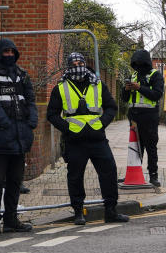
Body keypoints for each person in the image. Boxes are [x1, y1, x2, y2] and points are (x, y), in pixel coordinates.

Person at [46, 52, 129, 226]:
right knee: (75, 176)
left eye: (80, 62)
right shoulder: (61, 87)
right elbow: (52, 115)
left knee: (109, 172)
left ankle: (111, 211)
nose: (78, 65)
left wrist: (101, 124)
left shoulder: (98, 84)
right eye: (74, 63)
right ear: (69, 66)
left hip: (97, 138)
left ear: (85, 64)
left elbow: (111, 107)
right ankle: (78, 212)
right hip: (75, 140)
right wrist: (68, 128)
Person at [0, 37, 37, 235]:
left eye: (12, 52)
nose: (10, 55)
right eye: (6, 52)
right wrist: (6, 125)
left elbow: (30, 100)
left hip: (19, 138)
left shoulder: (22, 74)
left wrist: (31, 123)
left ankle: (11, 220)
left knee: (14, 182)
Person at [123, 48, 164, 187]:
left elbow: (156, 94)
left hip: (150, 116)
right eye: (136, 64)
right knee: (135, 147)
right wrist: (126, 89)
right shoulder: (133, 76)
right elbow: (124, 98)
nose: (138, 66)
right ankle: (134, 174)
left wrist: (139, 88)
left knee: (151, 146)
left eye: (141, 63)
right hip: (134, 116)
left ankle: (153, 175)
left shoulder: (155, 75)